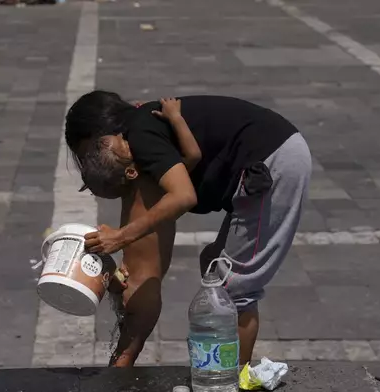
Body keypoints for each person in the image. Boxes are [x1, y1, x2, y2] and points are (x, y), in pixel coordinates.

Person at [65, 91, 312, 367]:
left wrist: (121, 237)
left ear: (102, 135)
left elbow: (184, 196)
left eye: (89, 156)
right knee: (214, 264)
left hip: (271, 161)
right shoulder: (145, 131)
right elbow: (192, 158)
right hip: (269, 153)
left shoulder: (140, 136)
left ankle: (232, 381)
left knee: (232, 290)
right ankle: (223, 375)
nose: (94, 164)